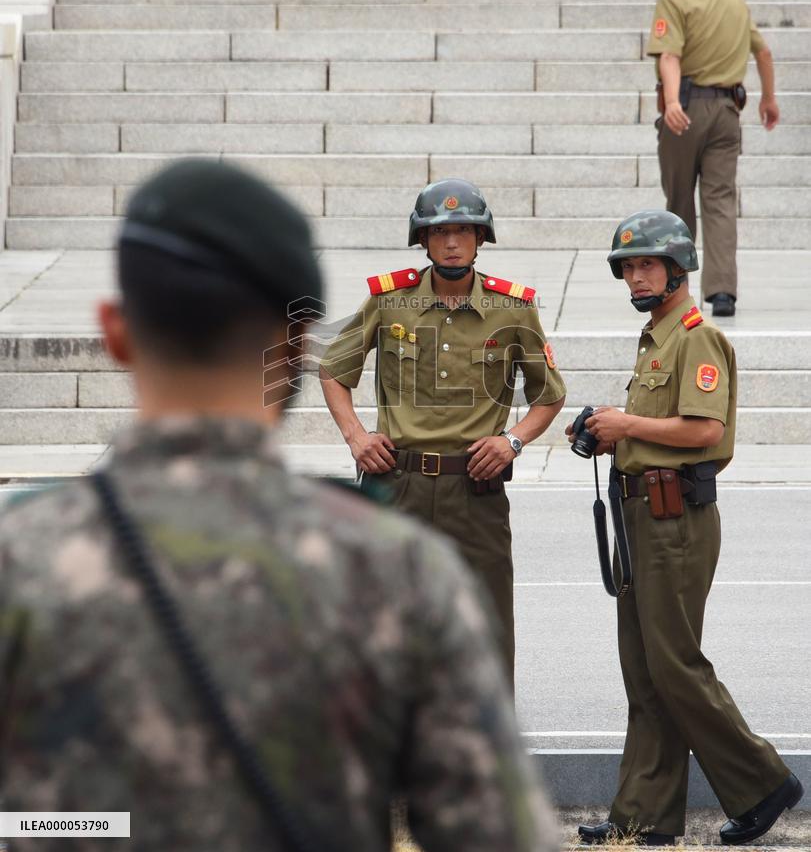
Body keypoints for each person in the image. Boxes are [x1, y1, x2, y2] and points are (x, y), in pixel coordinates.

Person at [0, 160, 558, 852]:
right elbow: (494, 835)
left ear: (116, 332)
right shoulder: (393, 571)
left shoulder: (20, 556)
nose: (451, 241)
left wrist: (79, 828)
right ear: (291, 348)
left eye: (463, 230)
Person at [573, 210, 803, 846]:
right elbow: (654, 433)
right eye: (628, 266)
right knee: (645, 672)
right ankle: (643, 819)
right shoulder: (657, 337)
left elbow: (705, 433)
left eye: (647, 264)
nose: (635, 276)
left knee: (674, 667)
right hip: (641, 514)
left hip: (676, 520)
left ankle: (764, 782)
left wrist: (627, 426)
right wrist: (604, 435)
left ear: (677, 268)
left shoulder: (694, 337)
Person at [319, 178, 566, 684]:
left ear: (480, 239)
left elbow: (550, 394)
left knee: (488, 627)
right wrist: (356, 437)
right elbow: (332, 369)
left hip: (475, 489)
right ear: (423, 241)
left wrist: (513, 440)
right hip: (396, 484)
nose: (451, 242)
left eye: (462, 231)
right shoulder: (390, 302)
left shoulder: (513, 310)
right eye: (439, 232)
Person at [647, 0, 779, 318]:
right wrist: (769, 99)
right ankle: (723, 292)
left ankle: (677, 286)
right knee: (720, 201)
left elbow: (669, 56)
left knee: (680, 199)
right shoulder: (734, 0)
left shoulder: (673, 2)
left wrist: (671, 102)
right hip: (727, 112)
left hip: (686, 110)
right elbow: (764, 52)